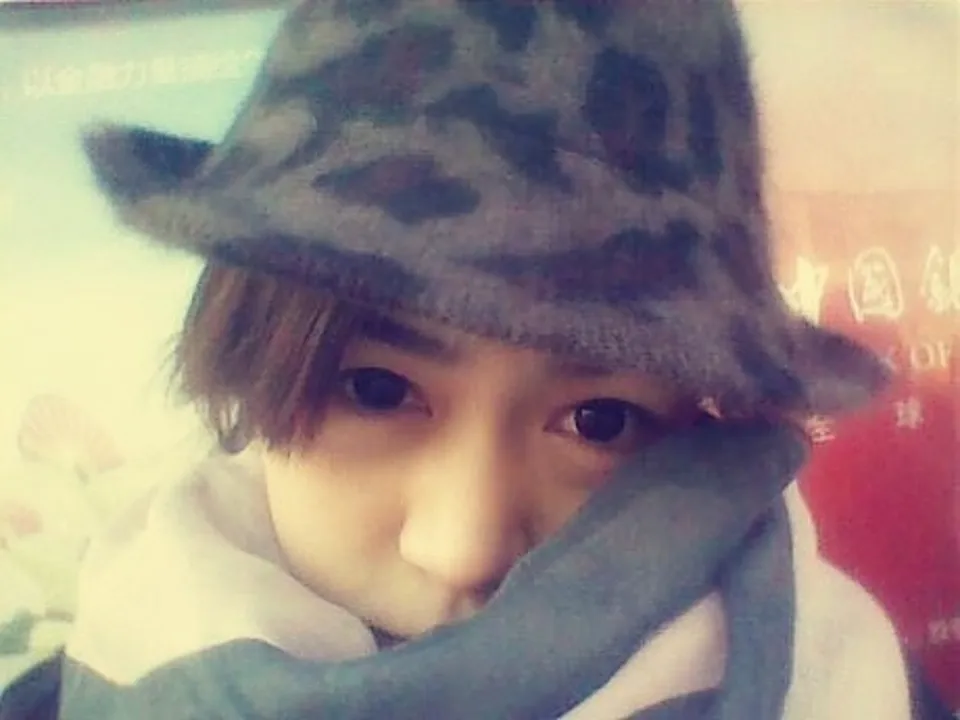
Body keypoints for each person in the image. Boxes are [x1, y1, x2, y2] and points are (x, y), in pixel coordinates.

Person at [0, 0, 931, 717]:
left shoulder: (842, 682)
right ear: (251, 357)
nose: (463, 546)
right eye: (377, 389)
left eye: (598, 421)